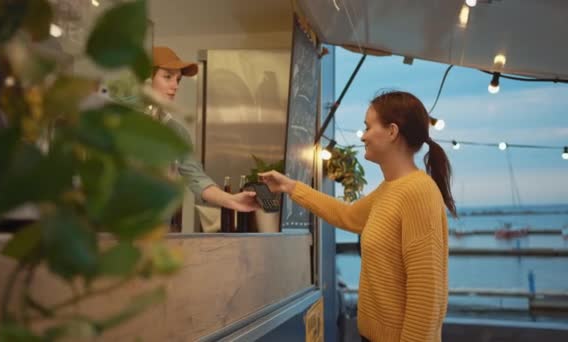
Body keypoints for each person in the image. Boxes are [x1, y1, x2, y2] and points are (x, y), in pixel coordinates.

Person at [260, 91, 455, 342]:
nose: (362, 135)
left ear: (392, 132)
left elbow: (427, 295)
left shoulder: (419, 192)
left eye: (368, 126)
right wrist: (290, 186)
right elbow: (348, 216)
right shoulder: (390, 189)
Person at [149, 46, 258, 215]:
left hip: (156, 232)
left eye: (178, 79)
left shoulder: (176, 132)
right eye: (167, 77)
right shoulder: (115, 121)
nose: (175, 85)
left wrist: (232, 201)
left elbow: (196, 178)